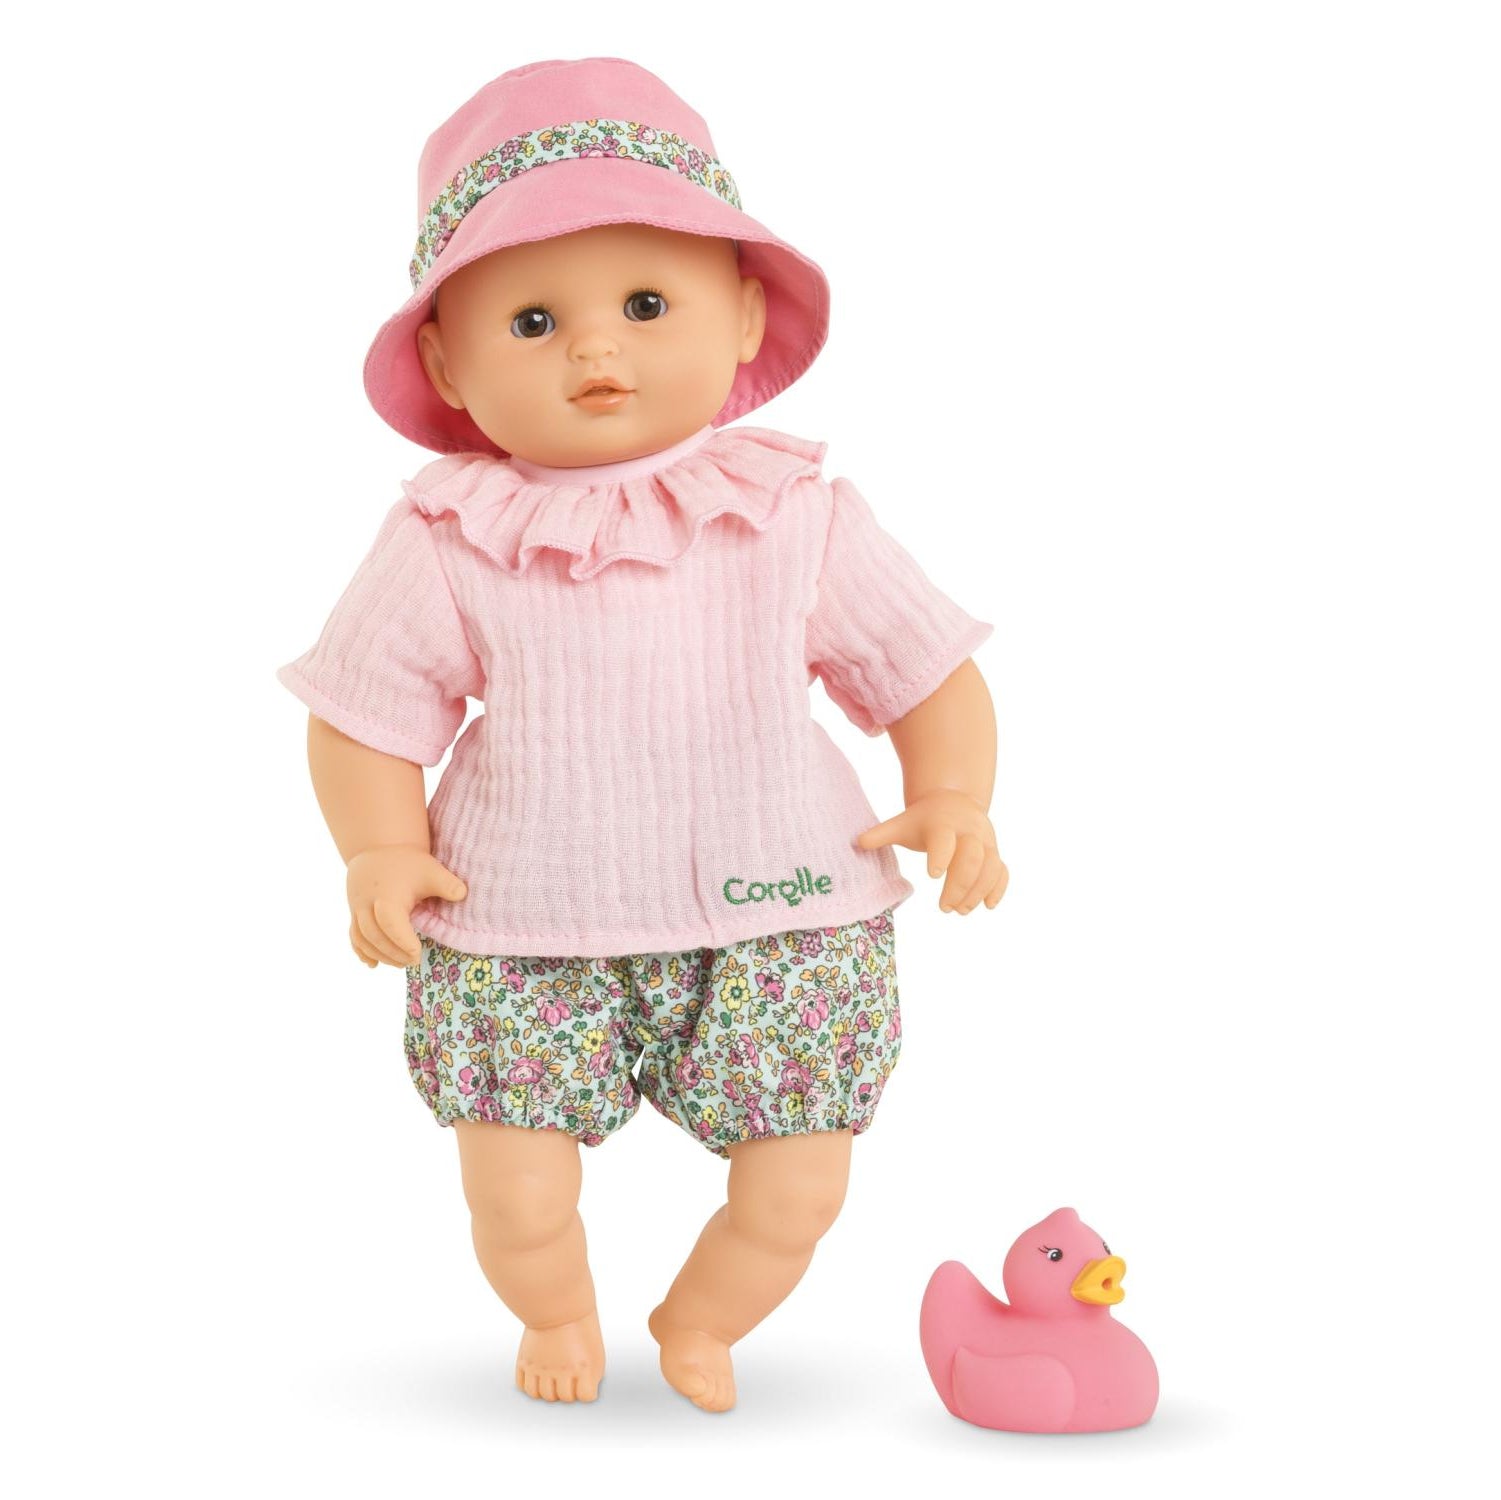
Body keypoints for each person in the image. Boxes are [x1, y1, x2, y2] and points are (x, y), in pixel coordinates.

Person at [277, 56, 1007, 1413]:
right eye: (533, 320)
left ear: (744, 314)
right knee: (516, 1190)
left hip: (786, 905)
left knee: (801, 1181)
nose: (596, 350)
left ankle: (700, 1321)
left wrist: (952, 790)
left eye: (647, 304)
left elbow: (924, 667)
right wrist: (377, 848)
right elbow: (363, 711)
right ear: (445, 363)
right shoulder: (450, 534)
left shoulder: (791, 510)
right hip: (518, 920)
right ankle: (556, 1311)